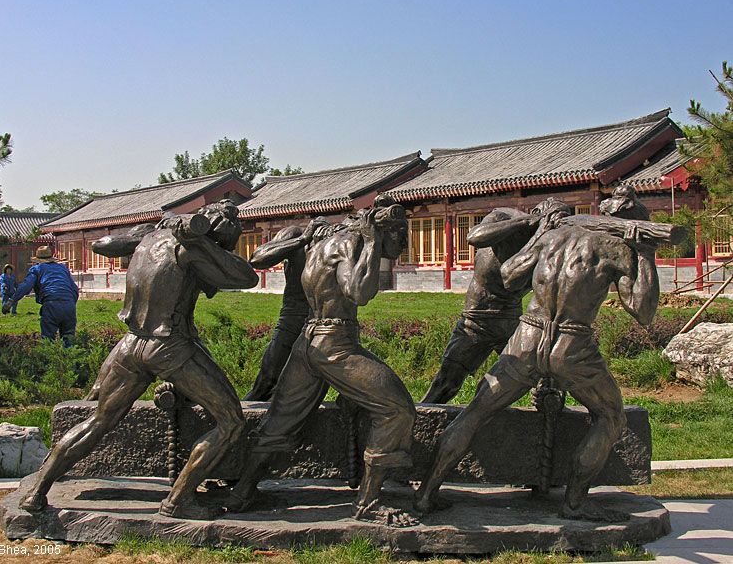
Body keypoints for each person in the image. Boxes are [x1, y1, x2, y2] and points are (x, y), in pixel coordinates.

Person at [414, 206, 660, 523]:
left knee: (474, 413)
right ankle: (574, 504)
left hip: (527, 336)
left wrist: (540, 239)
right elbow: (643, 311)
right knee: (611, 416)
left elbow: (508, 276)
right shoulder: (616, 249)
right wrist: (645, 255)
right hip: (572, 344)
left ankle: (425, 494)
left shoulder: (550, 238)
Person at [18, 200, 259, 520]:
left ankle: (37, 491)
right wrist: (195, 239)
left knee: (98, 422)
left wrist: (154, 230)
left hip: (129, 345)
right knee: (231, 421)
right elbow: (246, 277)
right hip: (168, 346)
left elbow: (105, 244)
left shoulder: (151, 237)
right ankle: (179, 501)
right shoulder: (192, 248)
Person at [226, 195, 418, 527]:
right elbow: (359, 292)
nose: (402, 244)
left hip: (306, 342)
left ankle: (242, 492)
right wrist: (371, 245)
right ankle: (369, 503)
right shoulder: (349, 245)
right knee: (398, 409)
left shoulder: (325, 244)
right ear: (380, 229)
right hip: (334, 345)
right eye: (399, 235)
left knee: (279, 420)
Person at [422, 199, 565, 404]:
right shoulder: (504, 217)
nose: (553, 227)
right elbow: (474, 237)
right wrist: (527, 223)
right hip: (477, 319)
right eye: (551, 220)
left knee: (539, 376)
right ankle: (419, 422)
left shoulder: (548, 244)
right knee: (446, 383)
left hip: (512, 321)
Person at [244, 220, 326, 401]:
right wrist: (302, 240)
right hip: (293, 316)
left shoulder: (336, 236)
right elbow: (258, 259)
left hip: (324, 320)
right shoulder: (296, 234)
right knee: (267, 381)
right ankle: (243, 423)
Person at [4, 246, 79, 346]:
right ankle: (70, 359)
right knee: (69, 339)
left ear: (38, 260)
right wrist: (69, 303)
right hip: (69, 305)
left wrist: (11, 301)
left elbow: (26, 286)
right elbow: (74, 289)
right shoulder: (62, 268)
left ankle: (48, 359)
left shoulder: (37, 269)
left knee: (48, 340)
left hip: (51, 304)